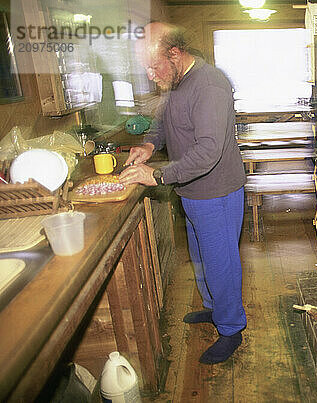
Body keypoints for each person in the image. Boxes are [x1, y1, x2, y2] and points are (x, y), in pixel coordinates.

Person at [119, 22, 247, 364]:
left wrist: (158, 175)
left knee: (221, 265)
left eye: (153, 65)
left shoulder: (210, 85)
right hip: (190, 190)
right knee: (201, 258)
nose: (150, 74)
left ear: (175, 54)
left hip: (216, 192)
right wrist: (149, 145)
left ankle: (231, 328)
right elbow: (165, 122)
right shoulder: (176, 80)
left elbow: (208, 152)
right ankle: (213, 308)